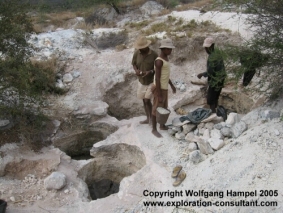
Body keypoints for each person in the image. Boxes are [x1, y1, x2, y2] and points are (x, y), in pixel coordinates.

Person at [152, 38, 176, 138]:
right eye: (169, 49)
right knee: (156, 108)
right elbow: (157, 78)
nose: (171, 51)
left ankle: (162, 125)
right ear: (164, 49)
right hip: (159, 88)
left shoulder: (166, 59)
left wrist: (171, 85)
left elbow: (165, 75)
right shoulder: (159, 61)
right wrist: (159, 94)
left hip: (164, 87)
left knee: (164, 107)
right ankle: (154, 129)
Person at [132, 36, 158, 124]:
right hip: (141, 81)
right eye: (139, 48)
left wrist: (150, 71)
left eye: (142, 48)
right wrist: (136, 71)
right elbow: (134, 64)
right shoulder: (136, 53)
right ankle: (148, 118)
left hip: (151, 81)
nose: (140, 50)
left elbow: (158, 68)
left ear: (146, 46)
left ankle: (151, 118)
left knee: (147, 100)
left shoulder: (154, 55)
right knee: (144, 100)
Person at [197, 37, 226, 113]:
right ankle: (215, 112)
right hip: (221, 80)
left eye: (207, 47)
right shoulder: (217, 53)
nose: (206, 50)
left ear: (212, 45)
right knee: (215, 97)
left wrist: (202, 74)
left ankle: (212, 113)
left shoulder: (212, 57)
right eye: (205, 48)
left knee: (211, 99)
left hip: (215, 81)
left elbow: (211, 72)